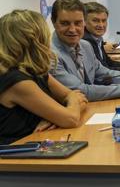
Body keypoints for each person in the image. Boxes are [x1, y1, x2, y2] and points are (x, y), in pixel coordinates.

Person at [0, 9, 88, 144]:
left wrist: (55, 117)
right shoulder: (16, 81)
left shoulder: (35, 71)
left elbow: (76, 96)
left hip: (36, 145)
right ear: (36, 38)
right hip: (13, 155)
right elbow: (71, 119)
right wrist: (61, 115)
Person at [49, 0, 120, 101]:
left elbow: (103, 72)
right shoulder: (50, 55)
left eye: (78, 23)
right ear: (54, 23)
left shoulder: (85, 45)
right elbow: (80, 91)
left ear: (83, 22)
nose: (73, 29)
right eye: (65, 23)